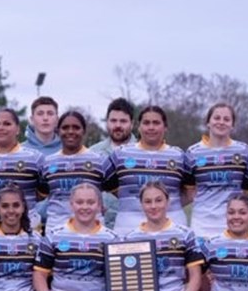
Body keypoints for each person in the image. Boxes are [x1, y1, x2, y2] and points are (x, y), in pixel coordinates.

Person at [104, 105, 192, 237]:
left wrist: (169, 203)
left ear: (165, 127)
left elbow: (190, 192)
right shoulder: (120, 154)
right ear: (139, 127)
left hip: (172, 224)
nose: (151, 127)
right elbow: (107, 183)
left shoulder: (179, 155)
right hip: (128, 225)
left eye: (156, 123)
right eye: (146, 123)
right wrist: (133, 200)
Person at [33, 183, 119, 291]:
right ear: (71, 205)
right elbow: (40, 273)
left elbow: (118, 278)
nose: (85, 207)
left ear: (99, 206)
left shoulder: (112, 238)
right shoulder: (53, 235)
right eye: (79, 202)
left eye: (90, 202)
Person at [122, 181, 204, 291]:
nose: (153, 206)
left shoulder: (185, 234)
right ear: (141, 205)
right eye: (148, 202)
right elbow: (126, 280)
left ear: (168, 202)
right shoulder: (130, 239)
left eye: (158, 200)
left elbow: (196, 275)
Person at [185, 103, 248, 241]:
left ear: (232, 125)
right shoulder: (193, 152)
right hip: (202, 224)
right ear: (208, 122)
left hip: (233, 222)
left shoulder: (243, 151)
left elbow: (247, 190)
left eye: (226, 119)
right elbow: (190, 192)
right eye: (217, 118)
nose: (221, 122)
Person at [39, 111, 111, 234]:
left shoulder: (99, 161)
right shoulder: (48, 163)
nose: (70, 131)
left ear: (84, 131)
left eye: (76, 127)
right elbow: (37, 195)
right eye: (65, 128)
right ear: (57, 131)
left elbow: (120, 193)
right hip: (56, 232)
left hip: (92, 232)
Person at [89, 97, 136, 228]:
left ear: (132, 123)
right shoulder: (92, 153)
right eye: (113, 120)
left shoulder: (142, 153)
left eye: (123, 121)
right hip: (98, 228)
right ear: (107, 122)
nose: (118, 125)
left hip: (133, 227)